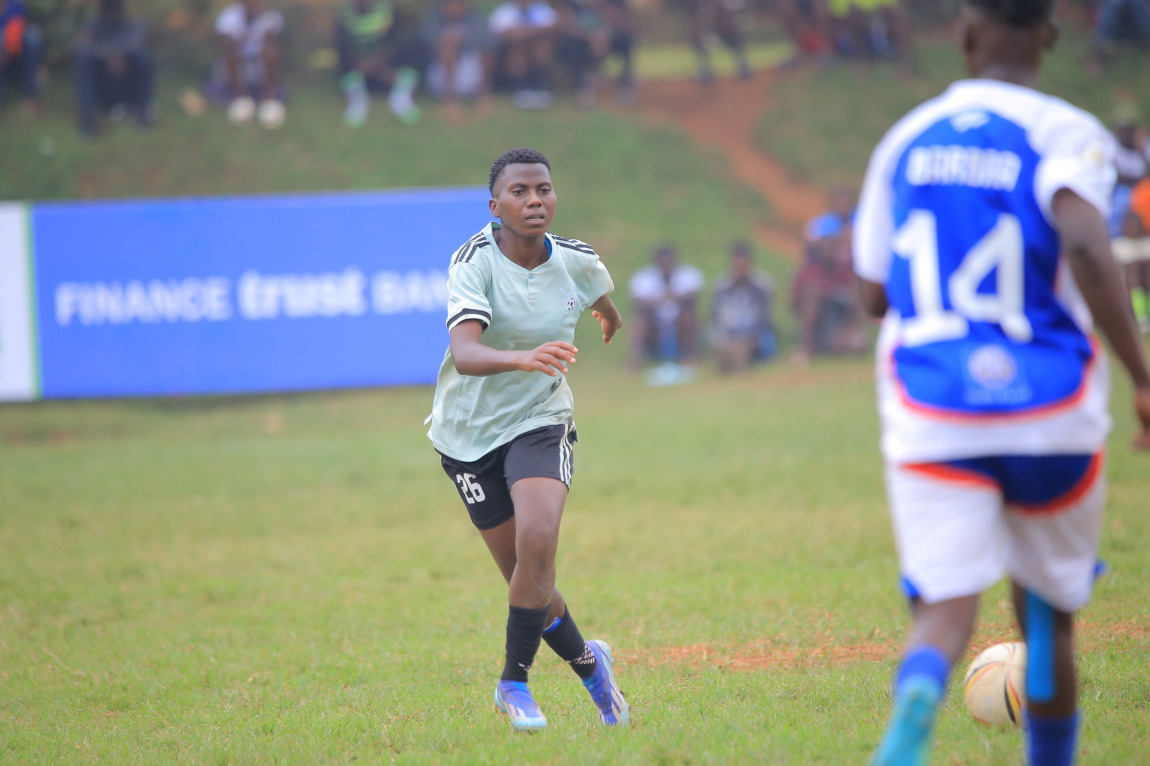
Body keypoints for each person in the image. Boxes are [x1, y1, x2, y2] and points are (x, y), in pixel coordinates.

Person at [852, 2, 1150, 764]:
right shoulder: (1066, 131)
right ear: (1050, 36)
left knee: (944, 608)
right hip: (1051, 408)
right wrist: (1142, 377)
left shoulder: (906, 139)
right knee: (1047, 614)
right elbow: (1086, 243)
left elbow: (874, 291)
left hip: (934, 405)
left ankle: (920, 692)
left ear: (965, 33)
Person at [427, 147, 628, 732]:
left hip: (541, 416)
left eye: (543, 189)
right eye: (519, 192)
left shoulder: (575, 258)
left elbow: (601, 300)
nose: (535, 200)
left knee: (538, 540)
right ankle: (591, 667)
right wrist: (523, 356)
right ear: (496, 206)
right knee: (527, 576)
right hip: (467, 436)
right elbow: (466, 353)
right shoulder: (474, 261)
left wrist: (609, 317)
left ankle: (513, 684)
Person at [335, 0, 430, 128]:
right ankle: (357, 101)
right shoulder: (345, 15)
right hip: (360, 70)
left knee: (417, 44)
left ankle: (401, 98)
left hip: (387, 67)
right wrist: (364, 66)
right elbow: (343, 47)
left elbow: (397, 41)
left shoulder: (387, 10)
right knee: (347, 66)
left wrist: (377, 62)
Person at [73, 0, 155, 137]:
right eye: (107, 11)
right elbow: (82, 48)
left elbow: (137, 44)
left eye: (114, 10)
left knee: (143, 58)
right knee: (83, 61)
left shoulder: (134, 25)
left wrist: (118, 55)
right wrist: (108, 55)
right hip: (103, 87)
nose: (111, 15)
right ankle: (89, 120)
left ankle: (143, 113)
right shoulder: (92, 25)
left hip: (127, 87)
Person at [791, 217, 865, 364]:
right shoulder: (807, 272)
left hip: (839, 325)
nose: (828, 249)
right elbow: (794, 303)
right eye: (825, 244)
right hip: (817, 325)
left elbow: (857, 304)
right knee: (812, 294)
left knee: (857, 343)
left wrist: (848, 327)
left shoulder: (845, 272)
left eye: (832, 245)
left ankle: (839, 342)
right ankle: (807, 347)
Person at [628, 245, 704, 376]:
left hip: (679, 325)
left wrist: (673, 297)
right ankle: (634, 361)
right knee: (640, 320)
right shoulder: (644, 277)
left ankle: (689, 357)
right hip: (655, 328)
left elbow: (693, 295)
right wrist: (659, 300)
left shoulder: (687, 274)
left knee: (689, 314)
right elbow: (637, 303)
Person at [209, 0, 286, 129]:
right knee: (231, 54)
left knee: (271, 51)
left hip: (259, 68)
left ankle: (269, 99)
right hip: (236, 68)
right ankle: (241, 98)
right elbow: (225, 43)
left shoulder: (270, 16)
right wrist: (246, 36)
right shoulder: (229, 16)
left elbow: (275, 41)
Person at [710, 241, 777, 373]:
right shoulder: (721, 287)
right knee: (731, 348)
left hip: (754, 336)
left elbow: (765, 318)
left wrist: (753, 338)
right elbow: (717, 320)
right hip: (730, 336)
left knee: (741, 349)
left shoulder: (762, 285)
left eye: (743, 266)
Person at [420, 0, 493, 120]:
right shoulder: (433, 21)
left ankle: (482, 97)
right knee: (448, 45)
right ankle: (451, 101)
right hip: (440, 76)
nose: (454, 8)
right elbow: (424, 39)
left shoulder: (475, 20)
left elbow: (490, 40)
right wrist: (448, 41)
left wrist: (464, 40)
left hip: (470, 75)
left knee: (487, 51)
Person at [488, 0, 557, 109]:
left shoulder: (542, 9)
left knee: (540, 48)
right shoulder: (504, 11)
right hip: (512, 51)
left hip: (538, 47)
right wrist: (534, 31)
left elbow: (551, 29)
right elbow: (504, 34)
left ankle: (539, 88)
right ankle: (522, 88)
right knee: (517, 51)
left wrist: (523, 33)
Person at [687, 0, 751, 85]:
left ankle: (743, 65)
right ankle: (705, 70)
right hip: (705, 11)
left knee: (732, 35)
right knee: (698, 37)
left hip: (724, 14)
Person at [0, 0, 42, 113]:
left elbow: (16, 21)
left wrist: (10, 47)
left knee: (33, 38)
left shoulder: (13, 4)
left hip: (12, 32)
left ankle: (29, 95)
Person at [1112, 209, 1150, 332]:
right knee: (1133, 270)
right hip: (1128, 286)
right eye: (1130, 226)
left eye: (1136, 226)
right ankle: (1142, 318)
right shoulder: (1119, 246)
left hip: (1147, 282)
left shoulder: (1147, 243)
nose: (1133, 229)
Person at [1089, 0, 1150, 74]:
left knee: (1136, 2)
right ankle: (1099, 52)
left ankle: (1148, 45)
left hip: (1135, 25)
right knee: (1115, 3)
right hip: (1115, 25)